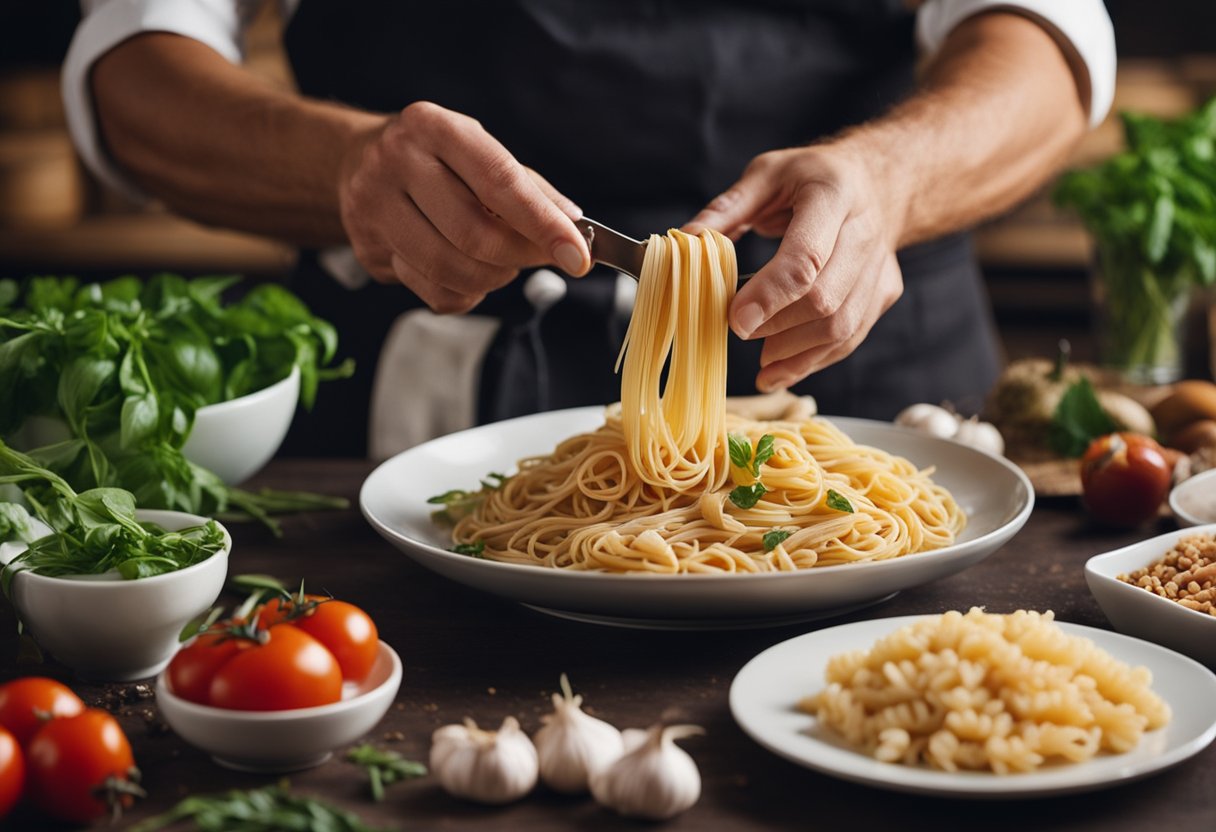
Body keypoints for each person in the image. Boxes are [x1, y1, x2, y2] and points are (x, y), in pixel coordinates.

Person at [62, 0, 1115, 458]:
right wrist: (345, 166)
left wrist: (892, 176)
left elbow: (1047, 42)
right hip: (419, 402)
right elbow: (134, 60)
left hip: (863, 385)